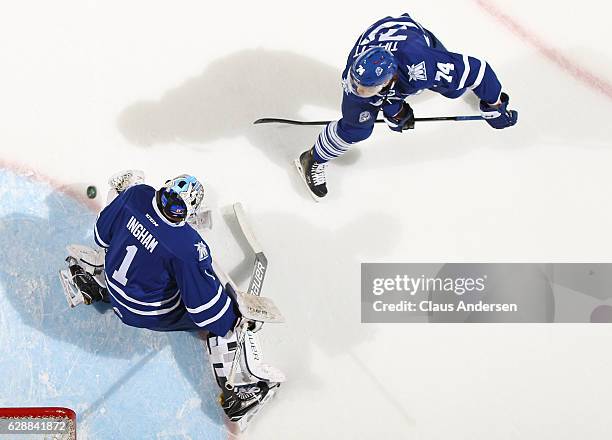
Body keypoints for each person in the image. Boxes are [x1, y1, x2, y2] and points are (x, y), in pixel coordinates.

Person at [59, 170, 283, 430]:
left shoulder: (137, 195)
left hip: (113, 283)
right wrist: (234, 316)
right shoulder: (188, 247)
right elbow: (204, 312)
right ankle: (241, 389)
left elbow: (100, 235)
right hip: (141, 312)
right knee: (227, 318)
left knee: (120, 243)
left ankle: (94, 284)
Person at [295, 13, 519, 200]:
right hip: (382, 40)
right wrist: (395, 113)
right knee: (357, 129)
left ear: (389, 79)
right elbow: (379, 97)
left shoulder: (424, 65)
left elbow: (479, 71)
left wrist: (494, 104)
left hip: (411, 36)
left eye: (366, 89)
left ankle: (455, 89)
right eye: (356, 84)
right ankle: (312, 158)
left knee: (454, 88)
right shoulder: (356, 79)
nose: (357, 91)